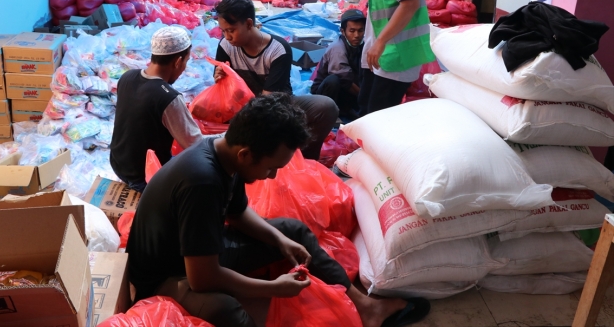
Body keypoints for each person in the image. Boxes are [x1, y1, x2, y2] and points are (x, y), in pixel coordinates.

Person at [126, 93, 430, 327]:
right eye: (271, 168)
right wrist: (271, 288)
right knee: (226, 308)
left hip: (200, 253)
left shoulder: (224, 153)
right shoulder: (201, 182)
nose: (272, 176)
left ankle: (365, 307)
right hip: (165, 277)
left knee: (293, 231)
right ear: (246, 154)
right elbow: (202, 279)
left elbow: (238, 213)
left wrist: (278, 240)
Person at [214, 0, 339, 160]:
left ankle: (302, 161)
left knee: (326, 107)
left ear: (249, 23)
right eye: (223, 31)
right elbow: (224, 89)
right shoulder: (226, 46)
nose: (227, 37)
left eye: (231, 30)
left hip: (278, 107)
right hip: (241, 107)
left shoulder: (278, 49)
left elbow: (268, 103)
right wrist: (219, 78)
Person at [110, 26, 202, 192]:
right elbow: (195, 145)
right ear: (178, 62)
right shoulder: (168, 98)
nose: (183, 69)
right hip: (146, 178)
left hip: (119, 165)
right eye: (185, 63)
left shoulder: (127, 77)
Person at [311, 9, 365, 119]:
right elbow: (345, 79)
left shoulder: (363, 45)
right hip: (326, 93)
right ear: (343, 31)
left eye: (360, 31)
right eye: (352, 31)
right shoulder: (338, 49)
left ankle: (346, 109)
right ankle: (329, 114)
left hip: (347, 90)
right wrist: (365, 98)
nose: (357, 35)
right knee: (334, 80)